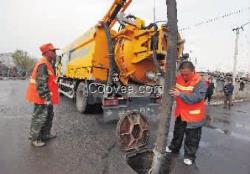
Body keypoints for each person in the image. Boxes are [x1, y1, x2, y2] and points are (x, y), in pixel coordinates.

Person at [166, 61, 207, 166]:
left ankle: (189, 156)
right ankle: (174, 148)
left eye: (186, 74)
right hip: (181, 113)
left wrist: (179, 94)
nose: (184, 76)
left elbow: (196, 98)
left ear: (193, 71)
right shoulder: (178, 78)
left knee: (192, 138)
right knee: (177, 133)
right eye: (182, 74)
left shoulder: (200, 82)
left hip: (194, 116)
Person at [26, 43, 59, 147]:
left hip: (47, 97)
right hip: (41, 97)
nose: (55, 53)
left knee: (49, 115)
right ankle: (35, 139)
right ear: (47, 53)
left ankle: (45, 134)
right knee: (40, 117)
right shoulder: (43, 64)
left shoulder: (48, 63)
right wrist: (46, 98)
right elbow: (41, 84)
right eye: (53, 51)